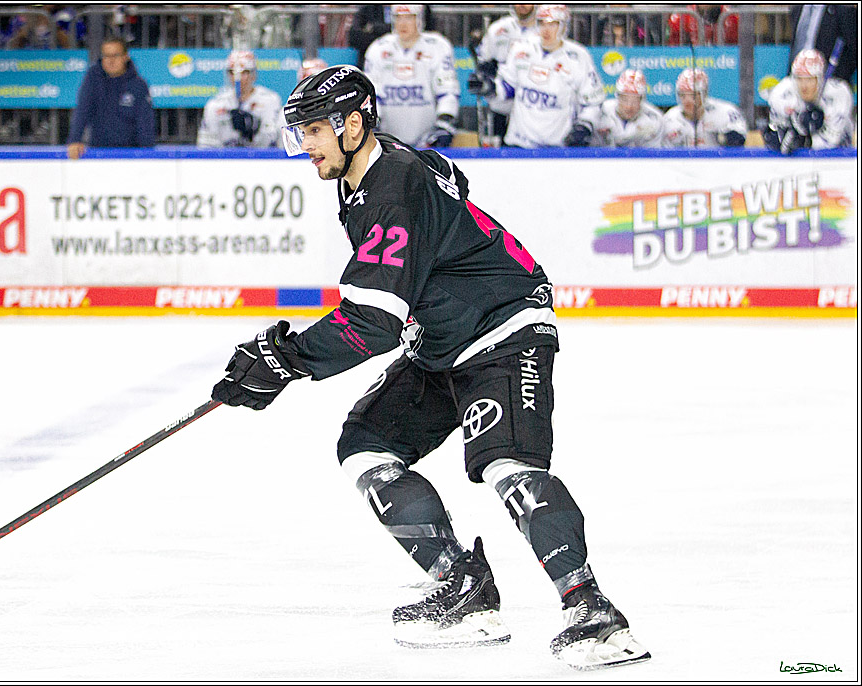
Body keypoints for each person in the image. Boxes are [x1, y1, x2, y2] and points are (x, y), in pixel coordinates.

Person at [211, 64, 651, 669]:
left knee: (507, 466)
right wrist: (284, 360)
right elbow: (450, 182)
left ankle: (591, 611)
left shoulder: (391, 186)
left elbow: (374, 322)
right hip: (442, 338)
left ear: (353, 125)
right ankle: (461, 586)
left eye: (313, 130)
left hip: (503, 328)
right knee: (366, 445)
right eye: (301, 132)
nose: (304, 145)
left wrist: (284, 359)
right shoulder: (368, 174)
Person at [484, 5, 605, 148]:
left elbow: (593, 101)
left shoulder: (578, 57)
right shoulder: (521, 49)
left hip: (557, 148)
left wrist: (584, 125)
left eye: (552, 24)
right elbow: (507, 86)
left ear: (564, 26)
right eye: (542, 23)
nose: (546, 30)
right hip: (519, 145)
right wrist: (489, 87)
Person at [364, 4, 460, 149]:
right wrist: (373, 124)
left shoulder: (438, 46)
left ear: (420, 18)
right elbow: (372, 94)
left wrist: (444, 123)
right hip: (387, 142)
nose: (402, 24)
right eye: (398, 18)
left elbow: (448, 90)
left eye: (409, 17)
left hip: (428, 141)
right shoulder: (378, 48)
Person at [66, 37, 155, 160]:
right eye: (106, 56)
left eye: (115, 55)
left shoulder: (138, 85)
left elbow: (145, 123)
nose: (111, 61)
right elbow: (83, 110)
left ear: (126, 57)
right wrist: (74, 140)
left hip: (130, 155)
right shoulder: (93, 79)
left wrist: (146, 154)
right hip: (98, 153)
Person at [468, 5, 537, 147]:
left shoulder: (546, 30)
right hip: (501, 103)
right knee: (499, 148)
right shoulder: (498, 29)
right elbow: (484, 61)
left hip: (533, 105)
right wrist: (486, 76)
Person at [764, 48, 854, 154]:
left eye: (809, 79)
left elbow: (831, 142)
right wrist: (782, 137)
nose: (804, 86)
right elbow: (774, 136)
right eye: (799, 79)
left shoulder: (837, 94)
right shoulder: (782, 93)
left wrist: (804, 141)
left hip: (838, 158)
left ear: (820, 79)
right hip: (794, 161)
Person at [196, 50, 282, 148]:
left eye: (244, 72)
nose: (238, 78)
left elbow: (274, 140)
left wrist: (254, 128)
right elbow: (205, 144)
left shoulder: (269, 100)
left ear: (253, 74)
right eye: (232, 72)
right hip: (225, 156)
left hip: (258, 155)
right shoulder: (215, 104)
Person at [571, 69, 663, 148]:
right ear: (617, 97)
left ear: (642, 100)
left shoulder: (654, 119)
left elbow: (654, 156)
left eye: (635, 101)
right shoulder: (599, 112)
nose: (629, 106)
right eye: (625, 99)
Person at [661, 68, 746, 148]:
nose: (687, 101)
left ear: (704, 94)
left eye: (693, 95)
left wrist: (724, 136)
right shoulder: (670, 119)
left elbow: (739, 142)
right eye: (682, 95)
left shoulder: (726, 113)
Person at [788, 4, 857, 83]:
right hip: (798, 80)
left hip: (830, 81)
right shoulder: (797, 8)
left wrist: (838, 79)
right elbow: (795, 45)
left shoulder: (842, 9)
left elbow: (853, 47)